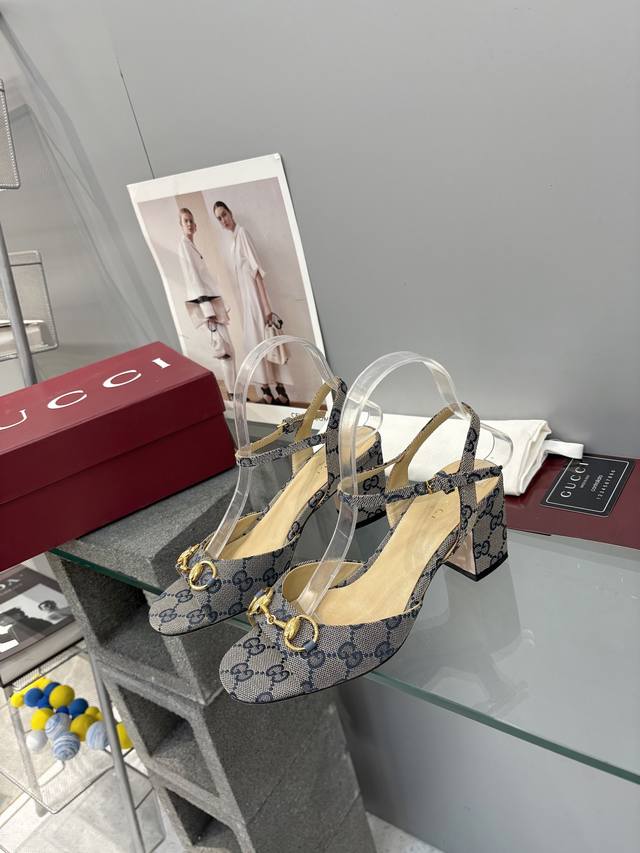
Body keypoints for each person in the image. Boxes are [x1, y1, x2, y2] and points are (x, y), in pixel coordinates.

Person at [213, 201, 290, 405]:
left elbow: (257, 273)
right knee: (255, 345)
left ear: (230, 213)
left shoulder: (243, 234)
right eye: (219, 218)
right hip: (248, 301)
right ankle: (268, 392)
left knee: (264, 342)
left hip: (257, 300)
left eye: (224, 214)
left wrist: (266, 306)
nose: (223, 220)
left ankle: (279, 392)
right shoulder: (233, 241)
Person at [177, 208, 236, 399]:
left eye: (191, 220)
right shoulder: (184, 246)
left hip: (212, 303)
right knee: (225, 351)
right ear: (181, 225)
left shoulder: (191, 246)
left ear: (196, 225)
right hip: (207, 306)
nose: (189, 224)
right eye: (185, 221)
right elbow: (193, 279)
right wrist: (208, 312)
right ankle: (233, 394)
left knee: (228, 350)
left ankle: (234, 392)